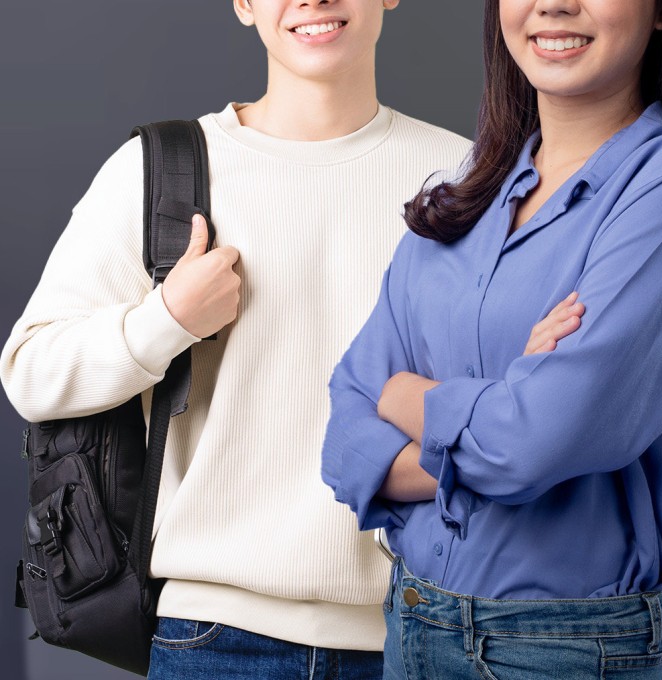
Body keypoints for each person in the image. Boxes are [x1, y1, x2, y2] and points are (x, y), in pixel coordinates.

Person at [1, 1, 490, 677]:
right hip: (214, 639)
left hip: (416, 634)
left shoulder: (463, 179)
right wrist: (165, 320)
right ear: (244, 4)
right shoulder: (163, 171)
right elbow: (30, 371)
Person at [321, 0, 662, 677]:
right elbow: (346, 436)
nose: (553, 4)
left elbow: (532, 442)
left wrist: (407, 395)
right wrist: (502, 400)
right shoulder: (462, 191)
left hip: (559, 647)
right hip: (412, 624)